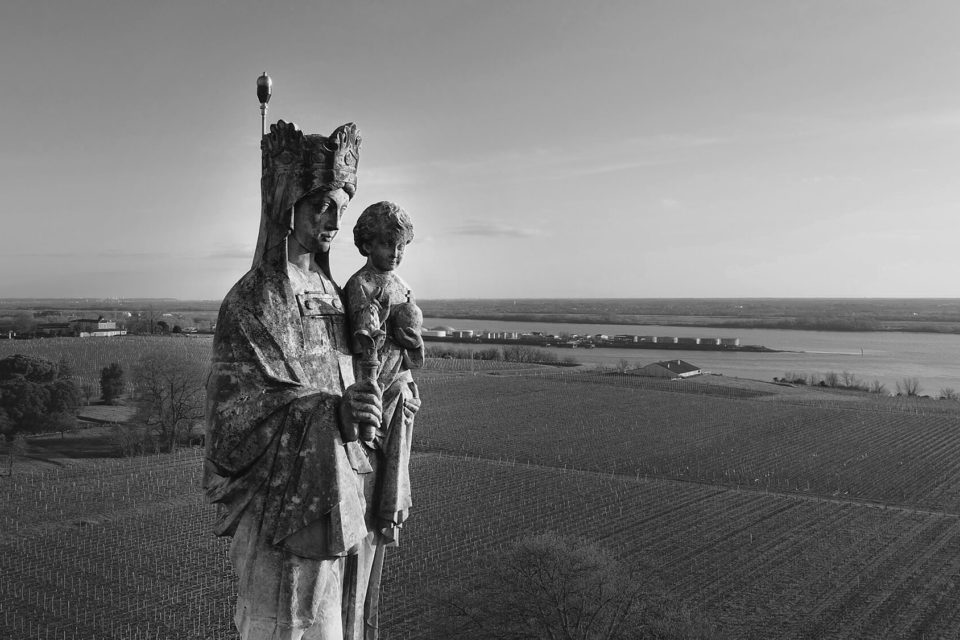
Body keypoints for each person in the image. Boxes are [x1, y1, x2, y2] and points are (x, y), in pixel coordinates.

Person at [204, 119, 409, 640]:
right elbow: (235, 417)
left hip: (343, 501)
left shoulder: (339, 297)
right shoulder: (253, 300)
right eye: (321, 204)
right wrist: (331, 413)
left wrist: (387, 393)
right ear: (286, 205)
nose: (334, 219)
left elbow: (353, 382)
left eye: (341, 204)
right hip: (284, 517)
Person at [343, 202, 424, 548]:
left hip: (398, 387)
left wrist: (413, 339)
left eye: (402, 246)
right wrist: (375, 325)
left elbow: (413, 354)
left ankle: (388, 508)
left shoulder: (402, 285)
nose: (396, 253)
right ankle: (377, 514)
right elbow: (360, 342)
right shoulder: (360, 284)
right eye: (388, 244)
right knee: (372, 458)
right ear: (367, 245)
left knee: (394, 462)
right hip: (373, 384)